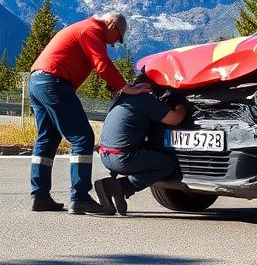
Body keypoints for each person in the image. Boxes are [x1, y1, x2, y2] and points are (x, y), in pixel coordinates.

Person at [29, 12, 149, 215]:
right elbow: (101, 63)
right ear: (111, 24)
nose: (114, 44)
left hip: (37, 81)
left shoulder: (82, 28)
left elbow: (93, 63)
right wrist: (126, 87)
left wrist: (114, 83)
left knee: (47, 138)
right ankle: (80, 197)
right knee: (83, 137)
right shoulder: (93, 30)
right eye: (118, 38)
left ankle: (39, 196)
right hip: (55, 82)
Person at [93, 92, 187, 216]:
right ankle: (124, 186)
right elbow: (175, 119)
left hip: (105, 155)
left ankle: (109, 187)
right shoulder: (146, 100)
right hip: (123, 158)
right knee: (168, 164)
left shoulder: (122, 98)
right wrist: (182, 105)